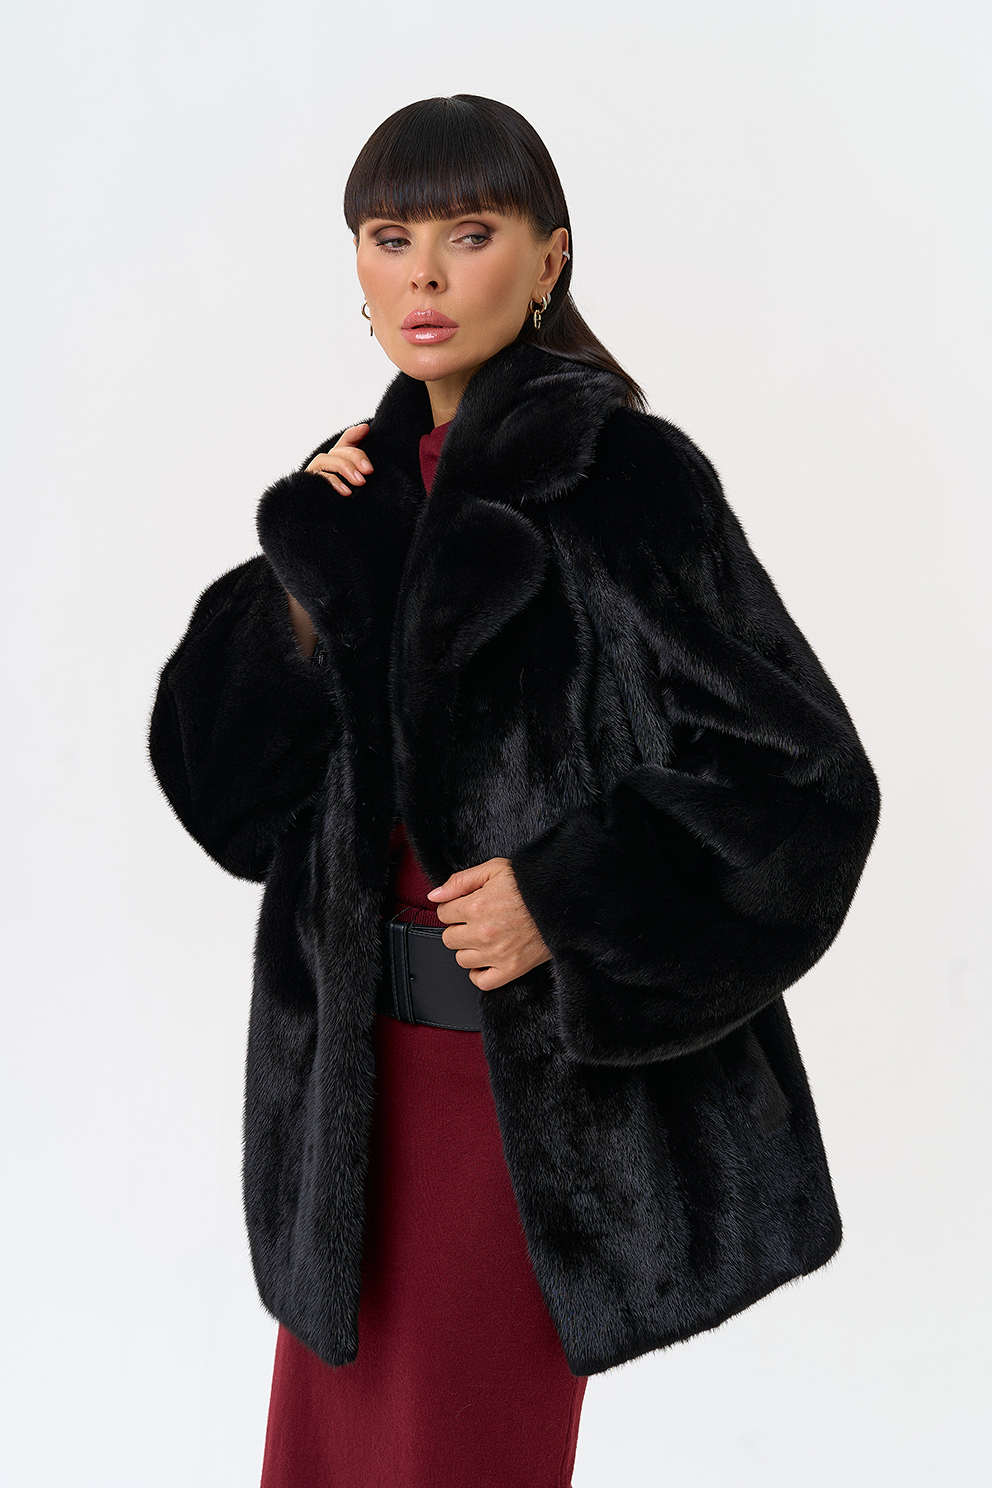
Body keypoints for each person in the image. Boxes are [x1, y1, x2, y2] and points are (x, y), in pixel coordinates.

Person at [148, 94, 881, 1488]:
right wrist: (301, 589)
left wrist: (566, 898)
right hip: (346, 1102)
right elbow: (226, 803)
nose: (424, 274)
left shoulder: (621, 480)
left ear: (550, 257)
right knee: (320, 1465)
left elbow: (805, 784)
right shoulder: (356, 494)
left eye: (469, 233)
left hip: (519, 1108)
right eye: (391, 237)